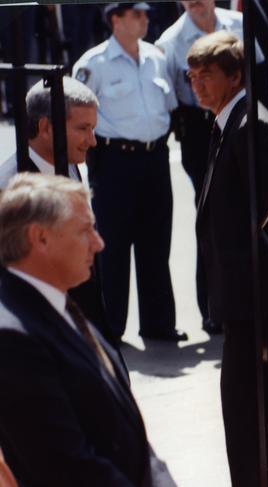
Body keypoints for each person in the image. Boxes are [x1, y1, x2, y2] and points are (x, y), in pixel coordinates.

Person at [0, 173, 172, 486]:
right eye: (84, 230)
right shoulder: (13, 337)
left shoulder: (60, 303)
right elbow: (67, 467)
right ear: (40, 238)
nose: (99, 242)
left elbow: (130, 437)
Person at [187, 31, 268, 486]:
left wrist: (262, 305)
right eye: (192, 76)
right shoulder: (227, 122)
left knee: (250, 415)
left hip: (255, 308)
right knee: (240, 415)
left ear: (235, 76)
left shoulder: (251, 126)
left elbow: (267, 222)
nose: (197, 85)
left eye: (207, 76)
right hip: (238, 307)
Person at [73, 2, 185, 342]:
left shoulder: (156, 57)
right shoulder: (94, 64)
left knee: (156, 242)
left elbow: (168, 106)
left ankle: (158, 324)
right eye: (136, 14)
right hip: (114, 160)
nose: (144, 20)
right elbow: (77, 113)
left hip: (153, 158)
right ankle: (111, 327)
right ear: (115, 19)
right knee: (113, 247)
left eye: (146, 14)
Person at [155, 0, 252, 335]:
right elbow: (167, 99)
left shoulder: (239, 23)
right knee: (210, 213)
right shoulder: (169, 41)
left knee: (241, 211)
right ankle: (212, 306)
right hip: (198, 127)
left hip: (238, 113)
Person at [0, 76, 115, 343]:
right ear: (45, 128)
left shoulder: (68, 162)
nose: (92, 140)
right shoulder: (10, 188)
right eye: (83, 129)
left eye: (93, 129)